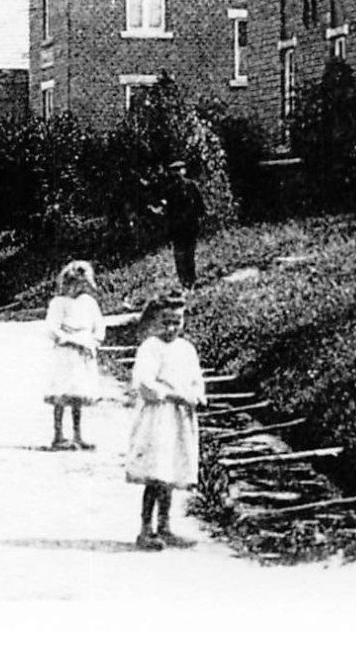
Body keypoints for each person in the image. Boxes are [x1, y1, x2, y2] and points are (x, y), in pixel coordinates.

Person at [126, 291, 205, 550]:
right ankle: (145, 529)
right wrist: (174, 395)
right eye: (165, 322)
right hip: (158, 417)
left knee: (170, 471)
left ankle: (165, 526)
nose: (171, 328)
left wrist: (198, 395)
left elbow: (195, 379)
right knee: (156, 473)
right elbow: (145, 384)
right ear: (155, 321)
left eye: (177, 322)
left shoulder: (186, 349)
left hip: (180, 419)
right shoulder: (150, 348)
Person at [43, 260, 106, 450]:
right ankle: (58, 435)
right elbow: (52, 327)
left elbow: (99, 325)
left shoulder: (89, 303)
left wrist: (94, 342)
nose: (75, 289)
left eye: (80, 285)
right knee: (62, 392)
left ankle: (78, 435)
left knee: (79, 393)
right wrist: (66, 338)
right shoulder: (58, 303)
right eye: (72, 284)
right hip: (66, 352)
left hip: (83, 351)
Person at [158, 159, 206, 289]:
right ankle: (185, 282)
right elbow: (167, 211)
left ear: (183, 171)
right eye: (175, 172)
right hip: (178, 228)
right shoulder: (169, 190)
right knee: (180, 255)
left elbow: (200, 206)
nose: (177, 174)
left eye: (179, 171)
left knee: (189, 255)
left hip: (189, 226)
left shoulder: (191, 186)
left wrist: (197, 219)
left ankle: (191, 281)